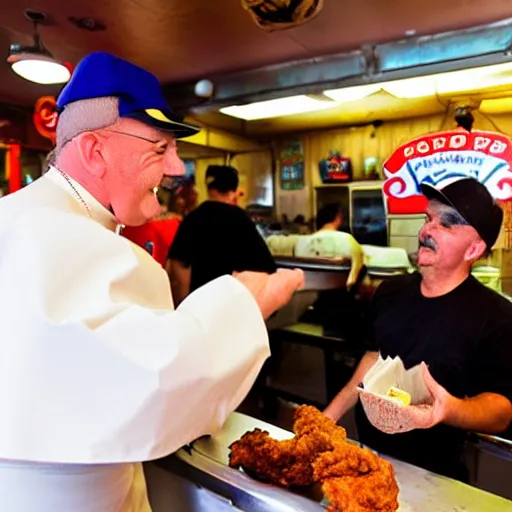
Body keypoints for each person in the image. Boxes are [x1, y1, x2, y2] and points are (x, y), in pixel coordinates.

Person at [0, 51, 303, 511]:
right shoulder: (86, 245)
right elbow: (156, 388)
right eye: (160, 148)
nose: (178, 168)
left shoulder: (14, 219)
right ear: (94, 151)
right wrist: (246, 301)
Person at [324, 178, 512, 482]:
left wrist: (449, 409)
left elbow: (502, 409)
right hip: (366, 463)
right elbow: (373, 360)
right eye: (428, 219)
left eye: (446, 224)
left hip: (434, 478)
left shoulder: (497, 317)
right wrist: (326, 419)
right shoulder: (389, 292)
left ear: (474, 248)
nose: (426, 231)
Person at [168, 164, 277, 306]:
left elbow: (178, 264)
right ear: (234, 190)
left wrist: (183, 301)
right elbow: (266, 268)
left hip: (200, 306)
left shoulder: (193, 218)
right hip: (234, 307)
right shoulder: (242, 220)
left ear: (208, 188)